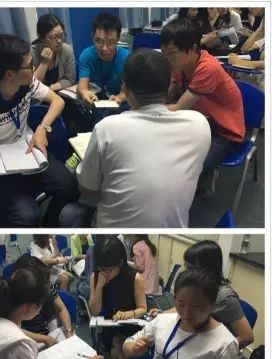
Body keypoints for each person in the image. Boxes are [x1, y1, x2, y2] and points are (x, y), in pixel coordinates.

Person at [60, 48, 211, 227]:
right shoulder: (199, 125)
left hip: (112, 230)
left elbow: (88, 190)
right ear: (169, 86)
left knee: (70, 210)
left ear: (125, 89)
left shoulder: (107, 129)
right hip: (171, 227)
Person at [0, 34, 78, 227]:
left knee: (70, 187)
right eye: (30, 65)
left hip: (28, 148)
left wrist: (41, 129)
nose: (34, 69)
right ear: (10, 74)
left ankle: (49, 224)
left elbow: (57, 101)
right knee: (28, 217)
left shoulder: (28, 84)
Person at [162, 18, 245, 198]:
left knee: (191, 170)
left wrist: (145, 108)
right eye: (164, 53)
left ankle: (202, 179)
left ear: (192, 49)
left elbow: (178, 107)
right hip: (202, 121)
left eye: (171, 53)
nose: (166, 59)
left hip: (225, 131)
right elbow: (168, 94)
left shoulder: (207, 68)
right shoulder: (180, 63)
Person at [151, 240, 254, 350]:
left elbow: (247, 337)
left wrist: (214, 352)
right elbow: (185, 308)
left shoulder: (225, 298)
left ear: (206, 267)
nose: (186, 270)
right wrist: (162, 314)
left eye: (190, 266)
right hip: (193, 338)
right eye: (186, 265)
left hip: (208, 348)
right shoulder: (196, 288)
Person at [88, 236, 147, 359]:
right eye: (101, 268)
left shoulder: (134, 278)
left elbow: (143, 308)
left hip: (130, 325)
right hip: (109, 326)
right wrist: (99, 286)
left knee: (118, 348)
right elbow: (95, 311)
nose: (104, 273)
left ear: (120, 263)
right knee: (116, 343)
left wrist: (127, 314)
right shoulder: (97, 276)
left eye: (108, 269)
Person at [14, 255, 74, 347]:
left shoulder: (45, 284)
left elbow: (61, 309)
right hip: (27, 340)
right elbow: (12, 329)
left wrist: (68, 333)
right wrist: (44, 339)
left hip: (49, 332)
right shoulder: (13, 295)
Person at [77, 13, 130, 106]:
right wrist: (85, 93)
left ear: (118, 39)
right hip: (95, 102)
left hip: (119, 106)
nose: (104, 48)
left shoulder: (127, 58)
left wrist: (119, 98)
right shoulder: (86, 55)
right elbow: (82, 87)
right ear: (92, 37)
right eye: (99, 41)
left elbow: (125, 92)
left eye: (111, 42)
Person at [31, 14, 76, 91]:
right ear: (41, 37)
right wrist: (44, 63)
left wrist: (50, 89)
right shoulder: (31, 54)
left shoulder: (66, 50)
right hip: (38, 97)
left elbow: (70, 79)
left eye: (61, 36)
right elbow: (31, 86)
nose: (59, 41)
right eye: (54, 37)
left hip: (59, 92)